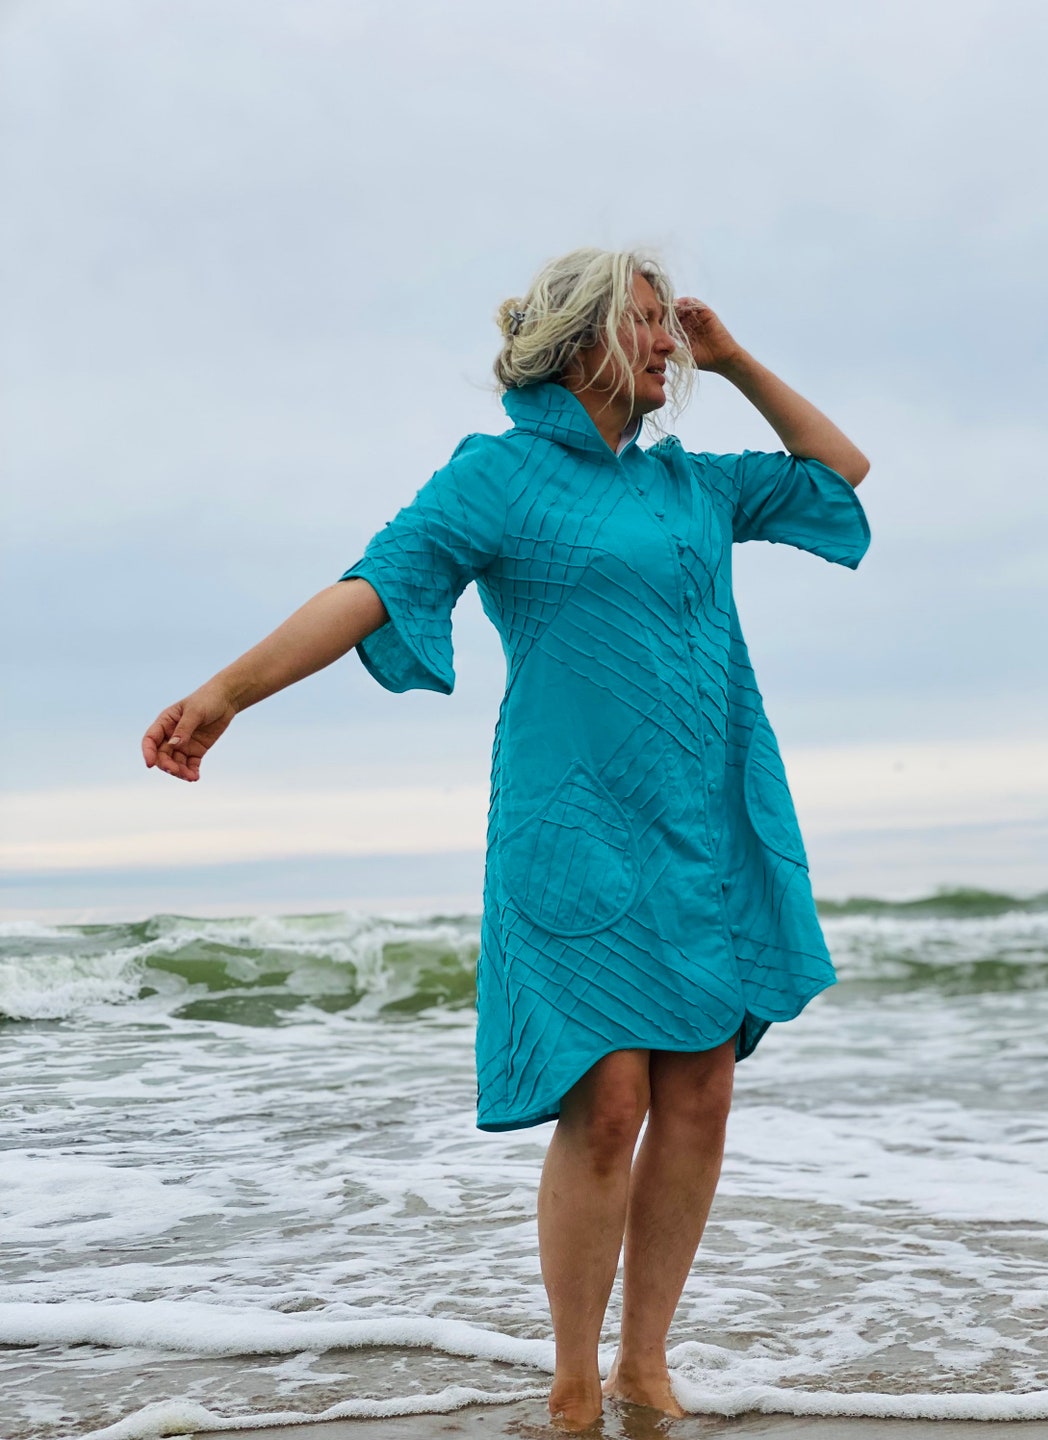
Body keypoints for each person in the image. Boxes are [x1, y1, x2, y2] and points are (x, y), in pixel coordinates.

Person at [142, 246, 871, 1432]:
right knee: (611, 1101)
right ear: (581, 341)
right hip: (571, 823)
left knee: (701, 1090)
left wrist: (735, 360)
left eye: (670, 324)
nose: (666, 343)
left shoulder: (690, 484)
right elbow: (371, 587)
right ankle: (574, 1380)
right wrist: (226, 693)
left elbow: (839, 472)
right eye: (644, 322)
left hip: (705, 816)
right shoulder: (499, 476)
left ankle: (645, 1365)